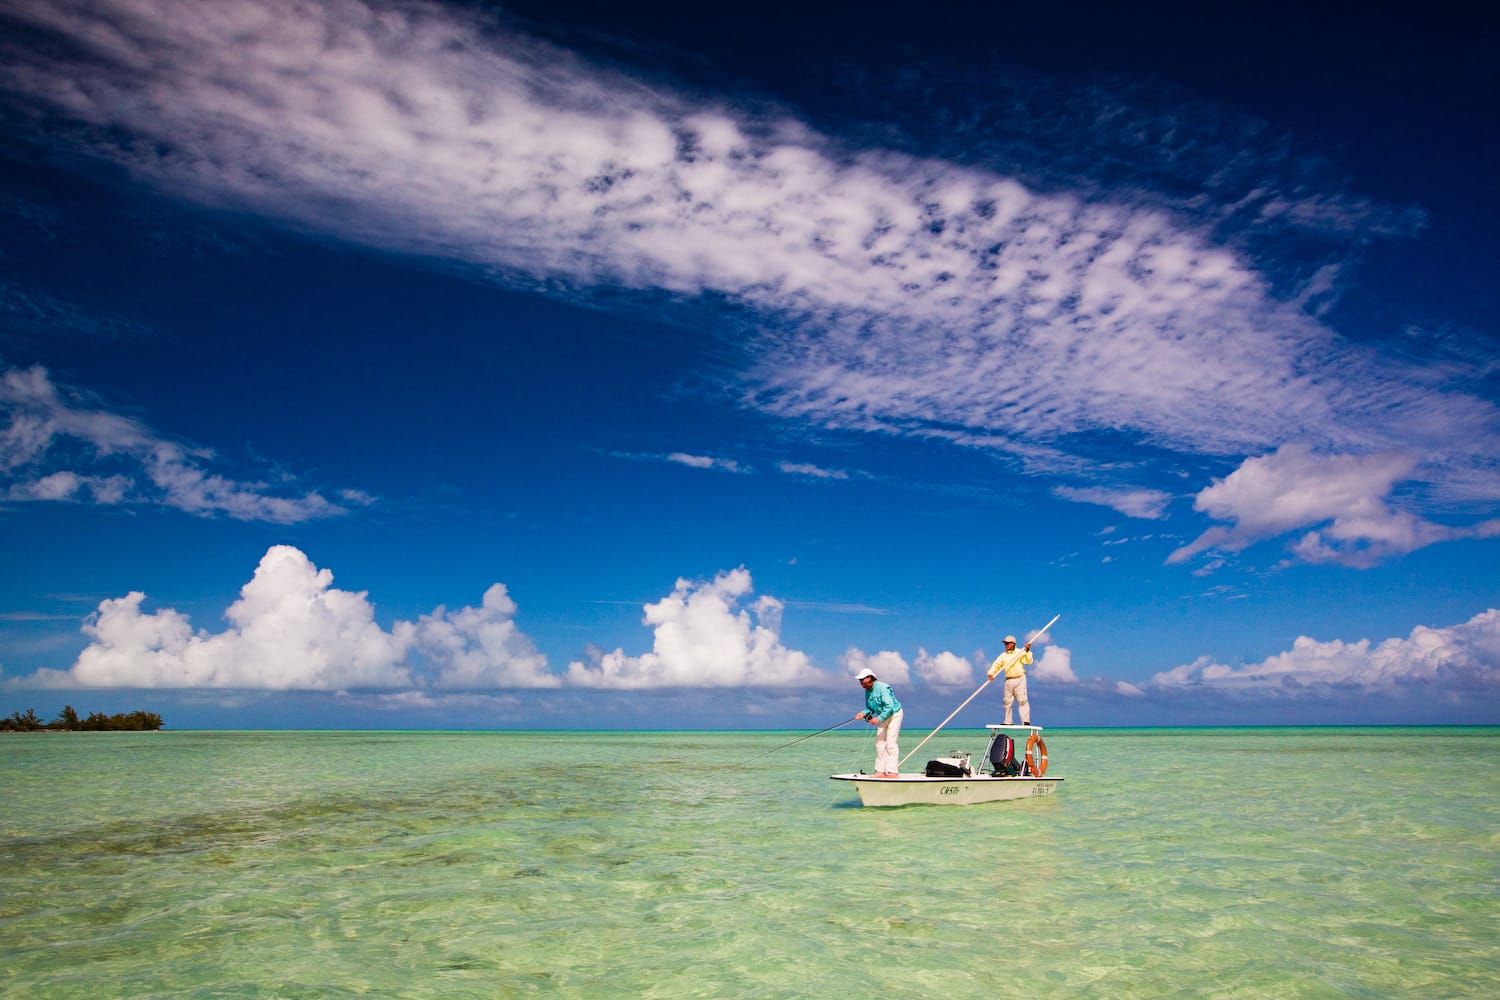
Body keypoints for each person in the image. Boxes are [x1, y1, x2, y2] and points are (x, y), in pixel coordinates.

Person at [854, 667, 903, 778]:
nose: (863, 685)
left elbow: (889, 707)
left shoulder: (882, 687)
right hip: (883, 716)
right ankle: (880, 771)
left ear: (872, 679)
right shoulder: (867, 691)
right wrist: (862, 713)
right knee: (880, 743)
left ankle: (893, 772)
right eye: (861, 683)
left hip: (895, 714)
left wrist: (878, 719)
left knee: (891, 743)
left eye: (865, 682)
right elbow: (870, 708)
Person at [986, 634, 1033, 726]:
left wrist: (1027, 650)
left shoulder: (1021, 651)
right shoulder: (1003, 655)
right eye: (1005, 644)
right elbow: (996, 664)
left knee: (1022, 700)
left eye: (1007, 643)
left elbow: (1029, 661)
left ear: (1013, 643)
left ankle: (1025, 721)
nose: (1006, 645)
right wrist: (991, 673)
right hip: (1008, 680)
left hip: (1020, 678)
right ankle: (1008, 721)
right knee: (1007, 701)